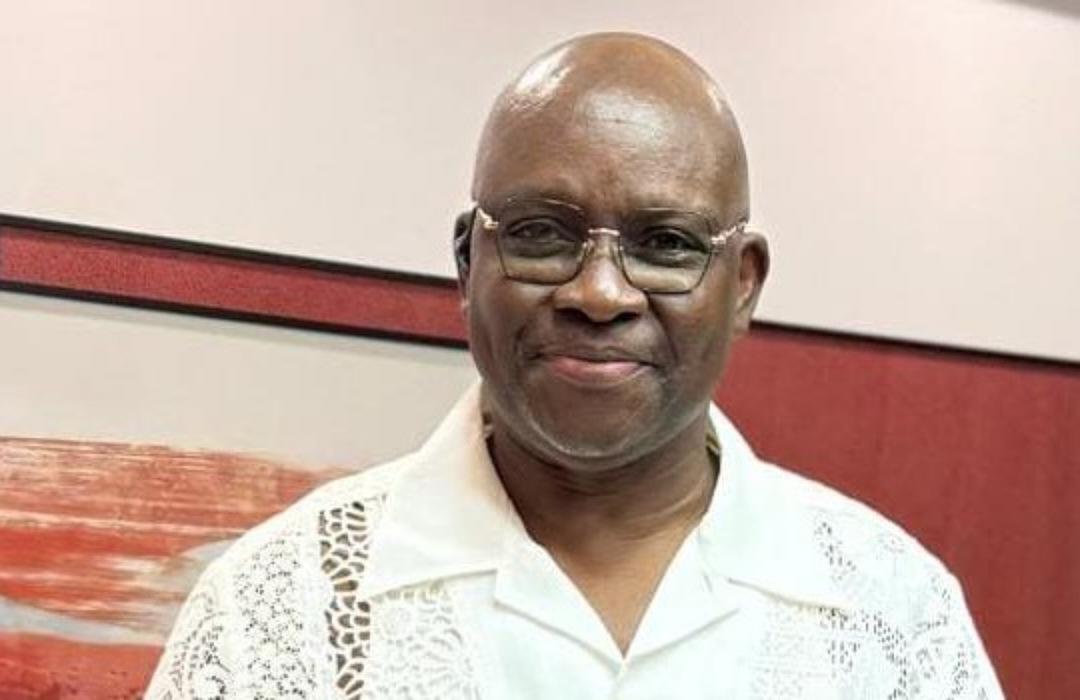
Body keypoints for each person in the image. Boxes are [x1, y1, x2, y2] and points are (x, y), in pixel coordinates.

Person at [147, 33, 1003, 698]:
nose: (599, 293)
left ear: (742, 286)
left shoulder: (895, 618)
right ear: (467, 262)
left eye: (666, 244)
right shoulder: (277, 610)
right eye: (540, 234)